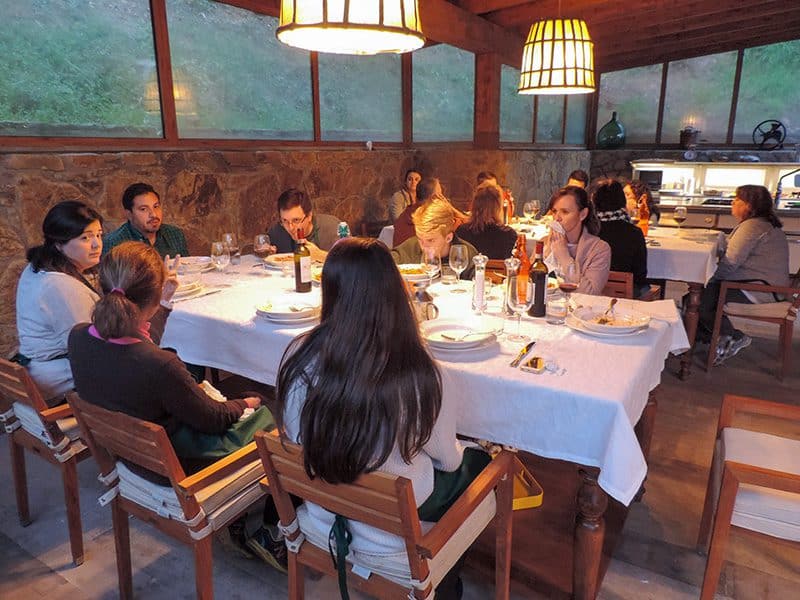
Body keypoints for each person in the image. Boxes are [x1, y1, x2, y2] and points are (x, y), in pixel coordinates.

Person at [275, 237, 490, 599]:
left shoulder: (299, 355)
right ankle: (446, 579)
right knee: (480, 465)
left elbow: (296, 438)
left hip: (320, 516)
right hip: (390, 538)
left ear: (329, 292)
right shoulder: (422, 375)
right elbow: (449, 461)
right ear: (394, 292)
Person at [67, 241, 286, 571]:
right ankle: (263, 528)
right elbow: (213, 421)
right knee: (271, 414)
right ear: (153, 298)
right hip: (177, 468)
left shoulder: (80, 336)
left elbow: (138, 345)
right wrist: (247, 401)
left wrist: (161, 306)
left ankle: (243, 519)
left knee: (226, 401)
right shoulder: (159, 366)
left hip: (124, 455)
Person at [698, 185, 790, 364]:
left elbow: (730, 264)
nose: (733, 202)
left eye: (737, 199)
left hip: (759, 289)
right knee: (696, 297)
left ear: (749, 205)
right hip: (768, 285)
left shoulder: (752, 226)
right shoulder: (761, 224)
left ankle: (732, 336)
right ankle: (709, 337)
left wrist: (706, 277)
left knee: (700, 300)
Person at [543, 186, 611, 295]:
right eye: (554, 211)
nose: (557, 218)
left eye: (565, 212)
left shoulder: (599, 249)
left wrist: (564, 257)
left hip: (581, 309)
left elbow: (590, 293)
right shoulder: (544, 243)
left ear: (582, 214)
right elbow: (529, 282)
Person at [392, 199, 478, 279]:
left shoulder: (467, 254)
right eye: (420, 239)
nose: (423, 246)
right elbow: (384, 264)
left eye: (430, 240)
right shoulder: (409, 248)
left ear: (448, 237)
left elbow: (478, 289)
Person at [592, 179, 649, 298]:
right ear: (622, 201)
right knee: (645, 287)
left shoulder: (588, 229)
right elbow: (640, 274)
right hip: (626, 292)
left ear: (594, 201)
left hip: (592, 289)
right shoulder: (634, 233)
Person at [103, 182, 188, 258]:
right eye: (143, 209)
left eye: (156, 206)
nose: (153, 214)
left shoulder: (175, 234)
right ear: (129, 214)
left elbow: (188, 269)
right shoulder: (114, 243)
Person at [267, 188, 339, 262]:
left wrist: (321, 255)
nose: (290, 228)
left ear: (309, 216)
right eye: (285, 220)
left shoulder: (333, 228)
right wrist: (268, 252)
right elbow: (262, 252)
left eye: (296, 220)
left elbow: (349, 264)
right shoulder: (277, 231)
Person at [456, 181, 517, 259]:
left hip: (470, 271)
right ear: (498, 207)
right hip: (498, 271)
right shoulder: (509, 234)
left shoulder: (461, 231)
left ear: (474, 205)